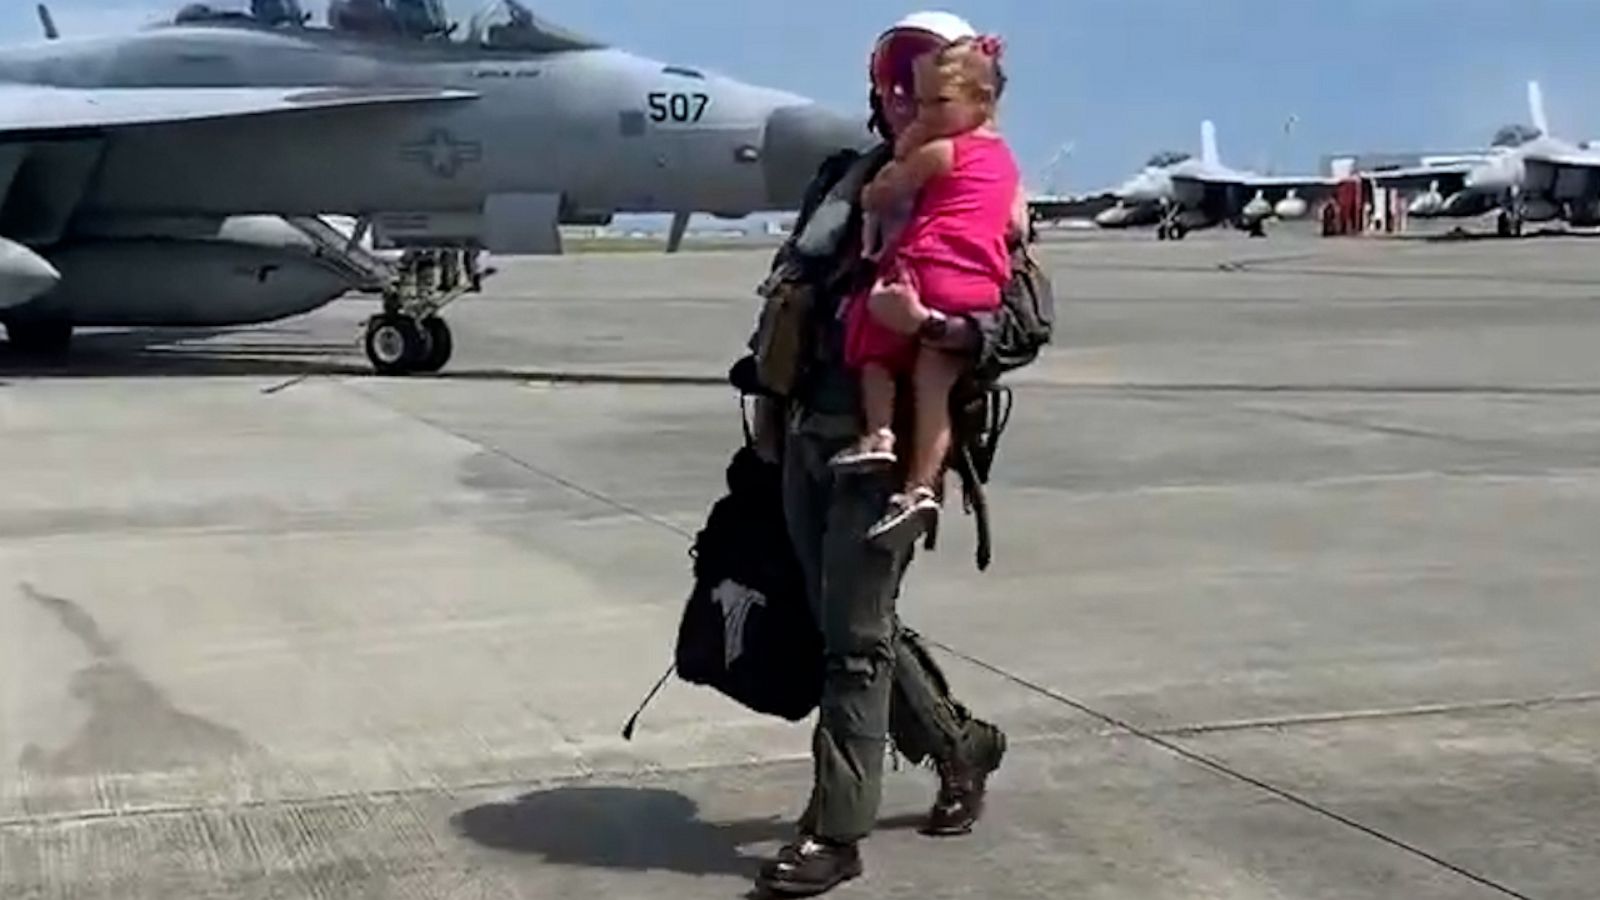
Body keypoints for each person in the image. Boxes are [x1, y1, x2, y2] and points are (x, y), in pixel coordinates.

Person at [749, 12, 1011, 897]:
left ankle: (835, 833)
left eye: (925, 80)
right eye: (896, 78)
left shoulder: (981, 181)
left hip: (891, 453)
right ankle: (960, 744)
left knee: (852, 645)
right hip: (807, 432)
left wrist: (932, 326)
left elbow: (1020, 322)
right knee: (844, 625)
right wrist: (766, 407)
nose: (906, 97)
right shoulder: (844, 180)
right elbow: (794, 284)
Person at [832, 35, 1023, 547]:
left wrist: (922, 322)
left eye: (934, 101)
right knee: (931, 386)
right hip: (977, 285)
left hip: (924, 272)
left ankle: (879, 434)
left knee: (869, 333)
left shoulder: (934, 152)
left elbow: (883, 190)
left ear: (982, 100)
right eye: (911, 98)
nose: (918, 110)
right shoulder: (1003, 163)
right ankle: (920, 488)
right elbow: (1014, 228)